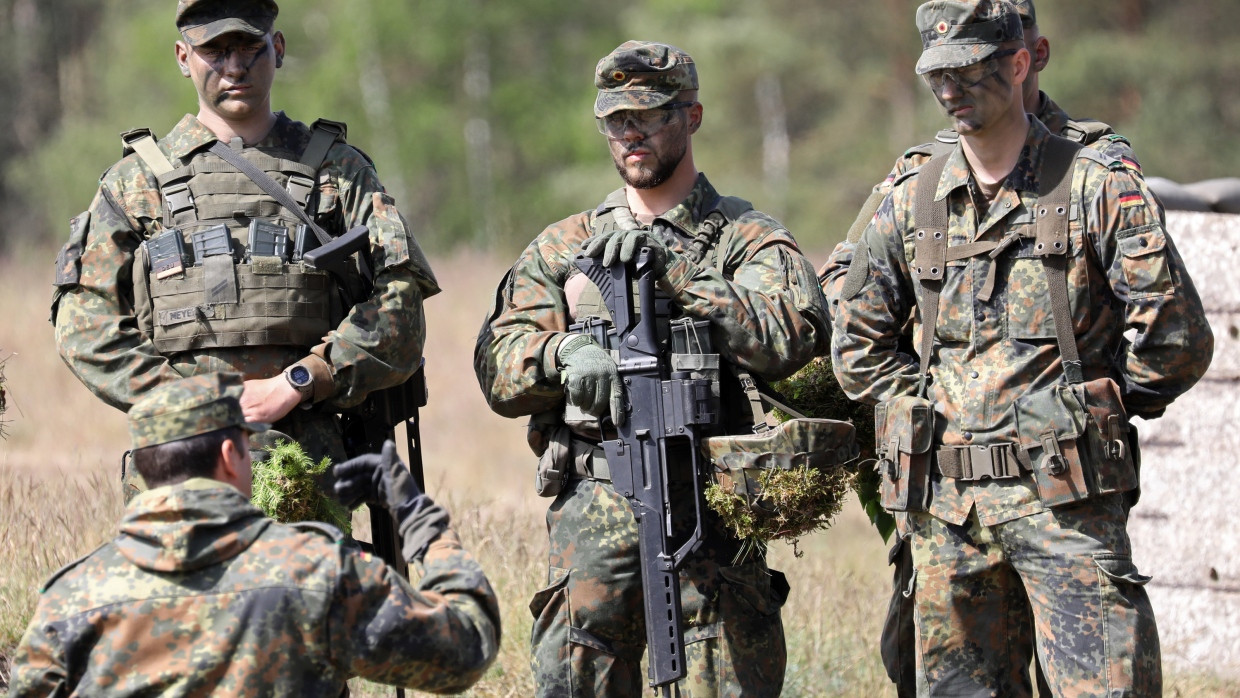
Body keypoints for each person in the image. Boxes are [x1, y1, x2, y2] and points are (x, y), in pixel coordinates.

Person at [830, 1, 1212, 695]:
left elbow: (1178, 338)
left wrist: (1100, 406)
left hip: (1065, 506)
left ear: (1018, 61)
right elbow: (855, 341)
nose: (950, 91)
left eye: (969, 70)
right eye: (937, 76)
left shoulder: (1095, 184)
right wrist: (916, 411)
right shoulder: (913, 198)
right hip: (948, 519)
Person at [474, 41, 830, 697]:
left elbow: (796, 335)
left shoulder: (743, 237)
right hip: (593, 525)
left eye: (650, 115)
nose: (631, 133)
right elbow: (497, 364)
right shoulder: (567, 245)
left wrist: (680, 277)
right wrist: (561, 353)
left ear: (691, 116)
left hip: (710, 519)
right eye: (617, 120)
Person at [50, 0, 437, 493]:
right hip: (182, 457)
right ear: (182, 57)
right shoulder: (134, 182)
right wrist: (193, 400)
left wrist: (302, 380)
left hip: (308, 463)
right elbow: (84, 326)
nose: (234, 66)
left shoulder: (339, 171)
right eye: (215, 50)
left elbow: (400, 306)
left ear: (276, 48)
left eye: (249, 48)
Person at [8, 372, 500, 696]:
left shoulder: (69, 600)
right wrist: (418, 517)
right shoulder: (315, 571)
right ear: (229, 457)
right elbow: (467, 647)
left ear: (145, 470)